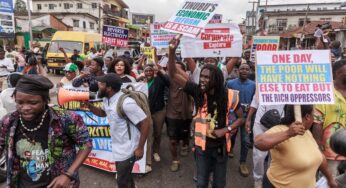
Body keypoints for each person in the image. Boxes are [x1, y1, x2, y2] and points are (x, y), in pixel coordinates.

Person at [168, 38, 244, 187]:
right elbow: (172, 75)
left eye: (207, 77)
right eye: (201, 76)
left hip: (221, 148)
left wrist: (226, 129)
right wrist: (171, 51)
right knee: (201, 182)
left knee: (219, 184)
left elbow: (241, 119)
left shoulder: (230, 95)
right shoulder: (198, 92)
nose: (202, 80)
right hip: (202, 148)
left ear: (216, 79)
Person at [0, 74, 92, 187]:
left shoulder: (67, 119)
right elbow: (1, 144)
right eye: (20, 102)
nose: (25, 108)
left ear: (46, 100)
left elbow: (86, 144)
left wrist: (68, 175)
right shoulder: (8, 121)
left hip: (58, 184)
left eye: (33, 103)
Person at [87, 73, 150, 188]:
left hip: (129, 149)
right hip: (118, 146)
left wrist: (140, 148)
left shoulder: (126, 103)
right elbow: (103, 113)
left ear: (109, 88)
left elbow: (145, 122)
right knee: (126, 177)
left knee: (122, 181)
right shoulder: (107, 98)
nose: (98, 85)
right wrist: (90, 107)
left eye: (101, 84)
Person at [255, 105, 337, 188]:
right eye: (314, 116)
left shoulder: (307, 132)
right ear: (307, 117)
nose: (314, 119)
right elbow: (258, 142)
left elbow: (320, 157)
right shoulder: (280, 129)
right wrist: (288, 133)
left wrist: (330, 179)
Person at [313, 59, 346, 177]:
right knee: (330, 182)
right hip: (330, 153)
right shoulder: (325, 91)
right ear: (337, 73)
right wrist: (318, 147)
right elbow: (317, 122)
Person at [246, 97, 285, 188]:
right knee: (259, 156)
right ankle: (258, 179)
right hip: (260, 124)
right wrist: (248, 119)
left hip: (279, 123)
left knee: (275, 155)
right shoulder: (262, 83)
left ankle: (271, 179)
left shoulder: (287, 85)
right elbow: (255, 102)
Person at [226, 63, 256, 177]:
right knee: (232, 136)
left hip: (247, 118)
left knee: (245, 140)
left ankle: (242, 163)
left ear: (249, 71)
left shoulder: (253, 85)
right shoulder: (230, 83)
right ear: (237, 70)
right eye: (242, 68)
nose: (244, 70)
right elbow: (226, 98)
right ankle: (231, 149)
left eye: (247, 69)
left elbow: (255, 101)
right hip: (233, 117)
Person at [165, 61, 194, 172]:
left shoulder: (188, 81)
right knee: (173, 140)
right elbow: (160, 72)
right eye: (173, 69)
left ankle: (185, 144)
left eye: (178, 69)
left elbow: (192, 83)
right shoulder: (169, 80)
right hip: (172, 114)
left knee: (185, 135)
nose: (175, 71)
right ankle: (175, 160)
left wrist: (178, 70)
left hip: (187, 114)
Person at [142, 64, 170, 171]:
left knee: (158, 133)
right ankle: (147, 157)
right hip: (145, 113)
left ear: (153, 71)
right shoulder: (141, 82)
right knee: (149, 134)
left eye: (150, 70)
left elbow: (168, 82)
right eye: (146, 71)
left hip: (159, 111)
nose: (148, 73)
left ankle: (156, 151)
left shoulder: (159, 80)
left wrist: (159, 71)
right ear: (143, 72)